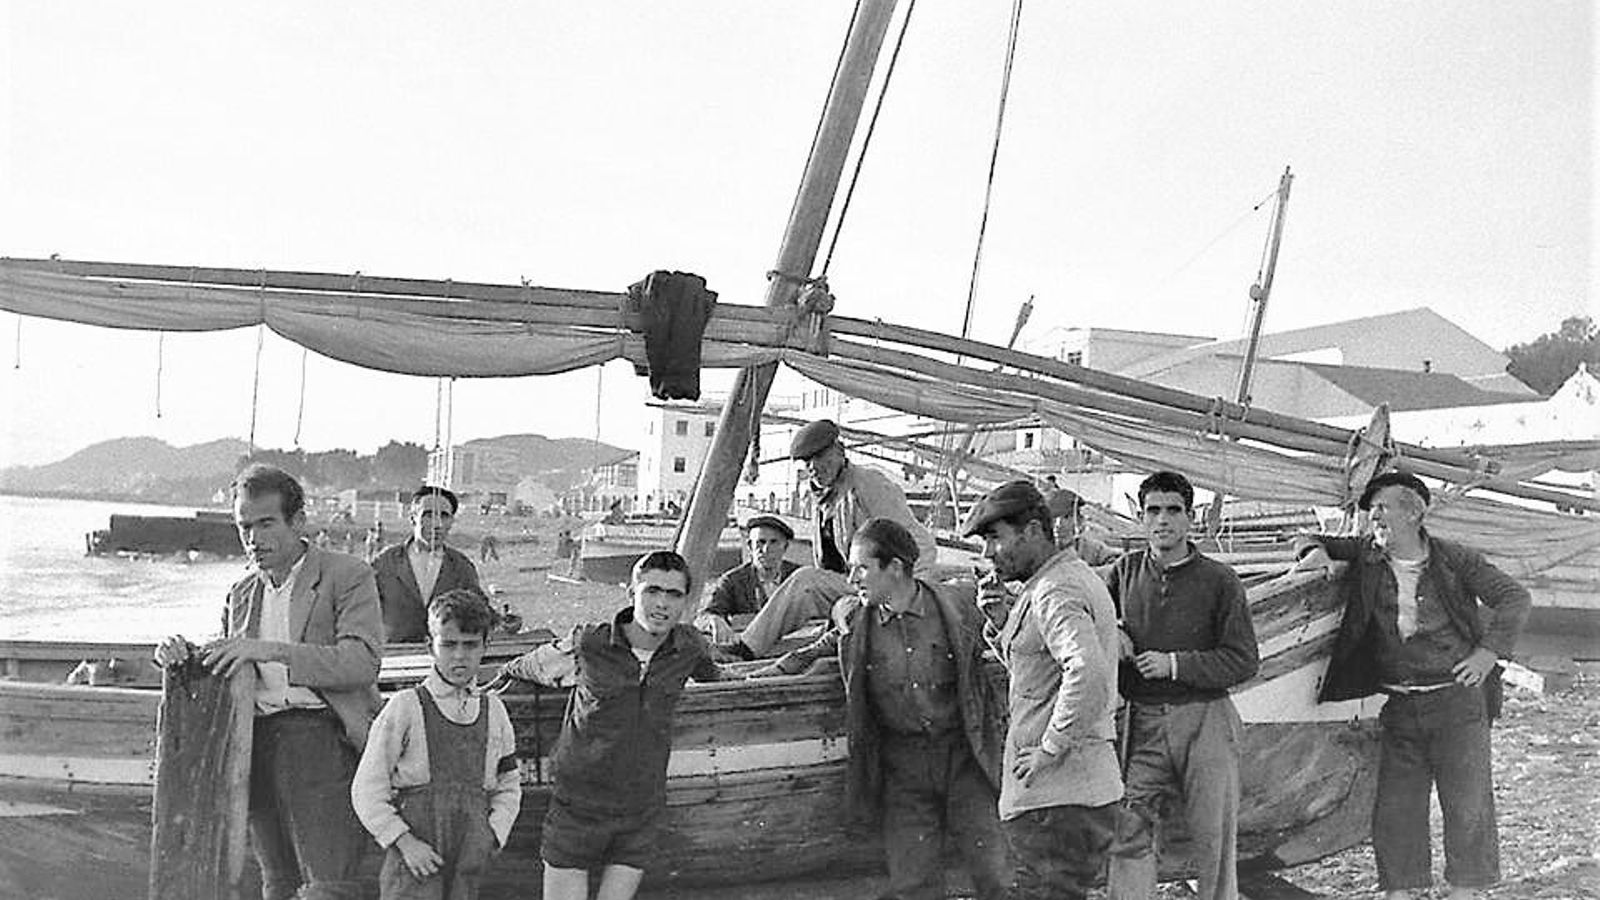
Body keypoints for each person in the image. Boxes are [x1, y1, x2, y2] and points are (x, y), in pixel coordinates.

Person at [1293, 471, 1530, 900]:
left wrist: (1488, 653)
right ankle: (1400, 892)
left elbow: (1514, 597)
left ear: (1414, 512)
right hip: (1400, 705)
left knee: (1467, 804)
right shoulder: (1367, 555)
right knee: (1396, 810)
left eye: (1382, 508)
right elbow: (1308, 537)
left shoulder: (1456, 559)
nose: (1374, 518)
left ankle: (1464, 891)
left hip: (1457, 703)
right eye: (1372, 511)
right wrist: (1315, 553)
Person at [153, 464, 382, 900]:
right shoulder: (240, 592)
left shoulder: (348, 575)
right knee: (276, 883)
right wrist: (179, 654)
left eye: (266, 524)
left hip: (322, 742)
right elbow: (227, 664)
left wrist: (269, 649)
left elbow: (362, 661)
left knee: (328, 887)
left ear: (298, 522)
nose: (254, 539)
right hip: (253, 745)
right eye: (244, 527)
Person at [752, 518, 1011, 900]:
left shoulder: (958, 606)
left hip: (964, 759)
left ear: (895, 568)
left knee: (996, 873)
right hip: (903, 768)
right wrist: (755, 677)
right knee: (913, 883)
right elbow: (811, 653)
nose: (852, 578)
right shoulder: (856, 619)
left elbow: (1019, 634)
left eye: (861, 568)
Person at [498, 551, 733, 900]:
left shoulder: (689, 647)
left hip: (640, 808)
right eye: (652, 591)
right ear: (631, 594)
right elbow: (522, 667)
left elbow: (717, 678)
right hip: (578, 806)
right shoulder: (590, 642)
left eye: (674, 595)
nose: (662, 604)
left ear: (685, 602)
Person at [963, 481, 1122, 900]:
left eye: (995, 538)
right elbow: (1041, 677)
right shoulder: (1058, 581)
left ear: (1033, 530)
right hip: (1070, 795)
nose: (988, 554)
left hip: (1058, 798)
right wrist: (1001, 623)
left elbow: (1087, 673)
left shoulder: (1056, 590)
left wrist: (1050, 748)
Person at [1104, 470, 1259, 900]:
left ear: (1191, 517)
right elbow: (1089, 609)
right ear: (1140, 516)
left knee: (1215, 838)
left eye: (1174, 510)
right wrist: (1112, 627)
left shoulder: (1219, 580)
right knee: (1129, 828)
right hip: (1143, 721)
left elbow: (1244, 660)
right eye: (1152, 510)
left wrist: (1175, 664)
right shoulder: (1123, 571)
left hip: (1205, 717)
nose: (1162, 520)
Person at [351, 588, 522, 900]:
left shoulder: (494, 711)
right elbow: (367, 788)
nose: (459, 655)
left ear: (486, 646)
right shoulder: (405, 707)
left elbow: (508, 783)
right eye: (449, 644)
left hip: (468, 857)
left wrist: (493, 834)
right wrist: (403, 841)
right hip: (416, 858)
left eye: (470, 645)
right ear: (431, 646)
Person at [716, 419, 937, 660]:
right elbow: (829, 566)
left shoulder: (867, 485)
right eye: (808, 462)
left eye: (821, 457)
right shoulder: (821, 499)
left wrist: (906, 596)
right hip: (853, 586)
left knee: (804, 581)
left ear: (840, 452)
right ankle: (752, 648)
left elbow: (919, 545)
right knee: (808, 585)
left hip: (879, 588)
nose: (814, 467)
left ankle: (745, 649)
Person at [372, 486, 483, 643]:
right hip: (395, 655)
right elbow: (360, 610)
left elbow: (479, 610)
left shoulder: (462, 567)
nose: (437, 524)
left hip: (443, 657)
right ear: (413, 518)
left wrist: (503, 623)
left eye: (444, 516)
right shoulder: (385, 563)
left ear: (452, 522)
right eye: (428, 515)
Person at [695, 515, 803, 641]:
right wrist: (714, 620)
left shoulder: (799, 576)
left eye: (774, 542)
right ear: (750, 547)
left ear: (785, 547)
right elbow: (705, 615)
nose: (766, 549)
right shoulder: (733, 581)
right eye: (760, 542)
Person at [1045, 487, 1120, 567]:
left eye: (1066, 517)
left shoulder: (1091, 549)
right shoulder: (1040, 551)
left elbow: (1117, 567)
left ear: (1079, 520)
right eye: (1053, 519)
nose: (1058, 524)